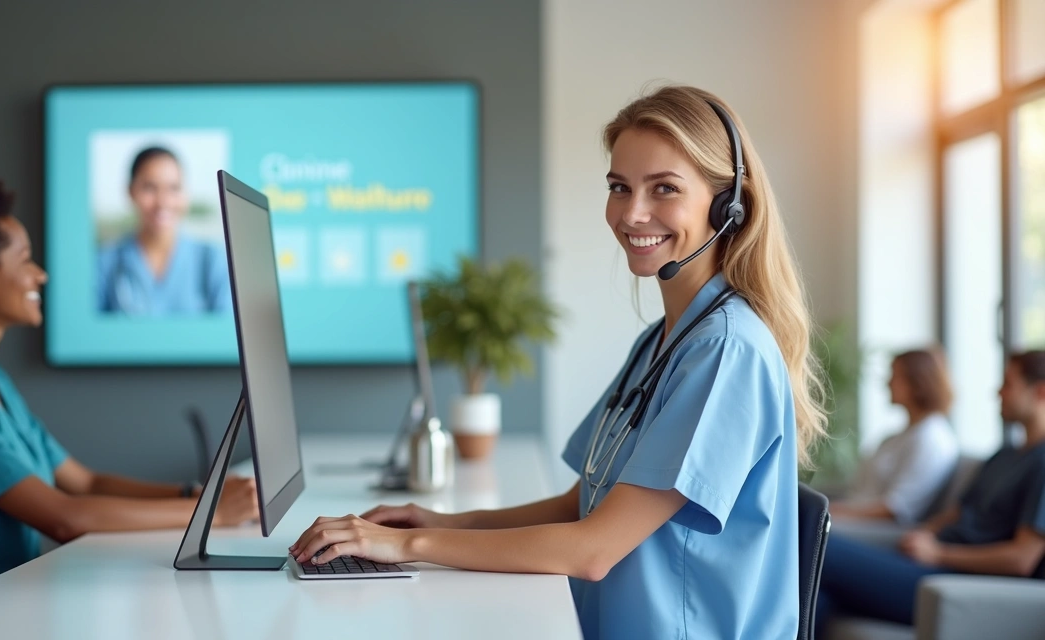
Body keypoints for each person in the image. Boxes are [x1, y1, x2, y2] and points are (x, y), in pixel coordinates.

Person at [289, 85, 827, 639]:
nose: (632, 213)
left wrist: (407, 545)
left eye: (664, 188)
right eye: (619, 187)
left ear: (728, 205)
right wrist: (444, 523)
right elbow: (583, 504)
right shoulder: (665, 340)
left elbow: (593, 549)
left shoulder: (725, 350)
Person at [0, 176, 257, 621]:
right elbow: (64, 518)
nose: (40, 274)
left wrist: (196, 494)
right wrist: (209, 514)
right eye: (24, 259)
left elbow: (85, 483)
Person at [816, 350, 1045, 633]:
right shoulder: (1005, 455)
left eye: (1008, 384)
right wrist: (924, 533)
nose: (998, 392)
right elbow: (958, 512)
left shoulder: (1041, 463)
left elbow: (1022, 559)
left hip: (955, 580)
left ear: (1040, 391)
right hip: (927, 563)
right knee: (817, 594)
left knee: (816, 544)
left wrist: (939, 553)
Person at [96, 146, 231, 315]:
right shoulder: (104, 263)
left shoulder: (213, 260)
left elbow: (226, 327)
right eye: (149, 188)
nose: (163, 202)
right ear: (130, 191)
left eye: (174, 188)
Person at [831, 348, 959, 523]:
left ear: (918, 383)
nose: (888, 383)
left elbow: (895, 508)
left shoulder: (932, 439)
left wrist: (832, 513)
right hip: (854, 520)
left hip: (877, 530)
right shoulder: (898, 437)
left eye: (895, 376)